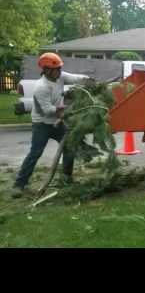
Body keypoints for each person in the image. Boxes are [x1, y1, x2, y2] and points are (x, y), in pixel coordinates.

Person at [11, 52, 93, 198]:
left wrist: (88, 80)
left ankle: (66, 177)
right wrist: (65, 110)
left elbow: (74, 77)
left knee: (69, 147)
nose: (60, 72)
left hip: (57, 122)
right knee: (35, 153)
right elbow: (46, 110)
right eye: (57, 69)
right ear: (47, 70)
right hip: (41, 124)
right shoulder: (41, 87)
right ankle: (19, 185)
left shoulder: (59, 76)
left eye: (60, 69)